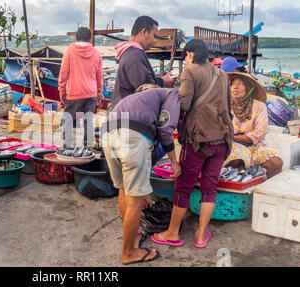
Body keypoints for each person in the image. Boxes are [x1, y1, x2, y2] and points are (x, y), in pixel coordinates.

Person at [151, 39, 233, 249]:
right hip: (222, 140)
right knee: (209, 187)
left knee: (184, 187)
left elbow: (184, 104)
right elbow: (228, 108)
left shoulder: (190, 71)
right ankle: (200, 235)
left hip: (197, 141)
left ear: (189, 54)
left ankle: (172, 232)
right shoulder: (222, 74)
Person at [101, 85, 181, 265]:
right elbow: (165, 130)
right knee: (135, 202)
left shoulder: (143, 98)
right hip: (131, 136)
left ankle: (133, 236)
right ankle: (128, 253)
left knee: (124, 190)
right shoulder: (174, 95)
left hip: (108, 133)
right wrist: (174, 161)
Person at [223, 72, 283, 179]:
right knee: (237, 158)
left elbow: (259, 134)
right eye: (233, 84)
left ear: (248, 88)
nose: (235, 86)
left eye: (240, 83)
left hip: (255, 146)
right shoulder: (225, 105)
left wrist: (233, 136)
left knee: (277, 162)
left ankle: (259, 186)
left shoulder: (260, 106)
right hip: (231, 145)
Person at [112, 15, 176, 108]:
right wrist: (163, 82)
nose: (155, 41)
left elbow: (143, 81)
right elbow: (146, 87)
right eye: (154, 36)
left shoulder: (131, 52)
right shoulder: (134, 55)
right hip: (129, 114)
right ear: (144, 32)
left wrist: (163, 81)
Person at [58, 27, 103, 147]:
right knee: (88, 121)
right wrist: (99, 92)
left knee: (68, 120)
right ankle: (87, 148)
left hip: (74, 92)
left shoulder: (69, 51)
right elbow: (99, 76)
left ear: (76, 38)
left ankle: (67, 147)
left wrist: (62, 91)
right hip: (90, 93)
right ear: (90, 38)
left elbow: (63, 73)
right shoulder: (96, 53)